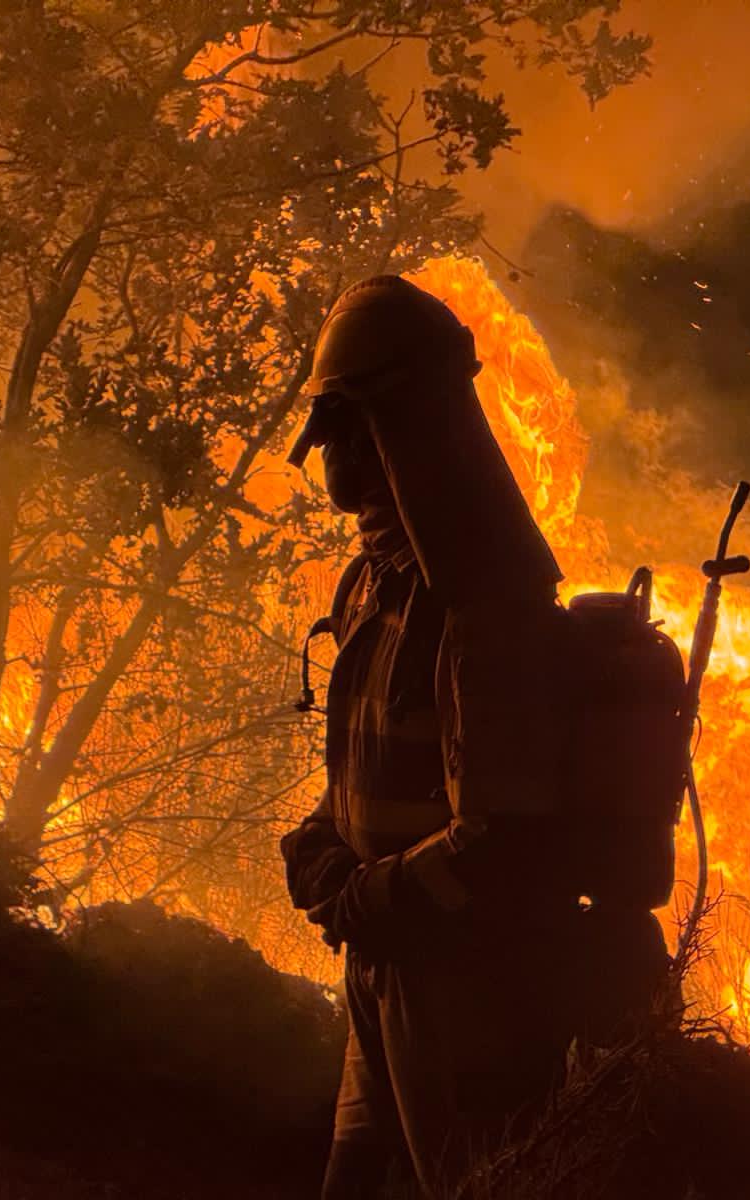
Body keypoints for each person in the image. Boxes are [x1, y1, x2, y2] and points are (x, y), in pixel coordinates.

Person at [281, 275, 613, 1199]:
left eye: (342, 422)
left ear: (396, 427)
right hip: (386, 967)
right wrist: (320, 843)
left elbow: (504, 840)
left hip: (471, 992)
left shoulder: (483, 609)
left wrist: (365, 898)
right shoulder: (372, 581)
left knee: (475, 1185)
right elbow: (379, 764)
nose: (326, 449)